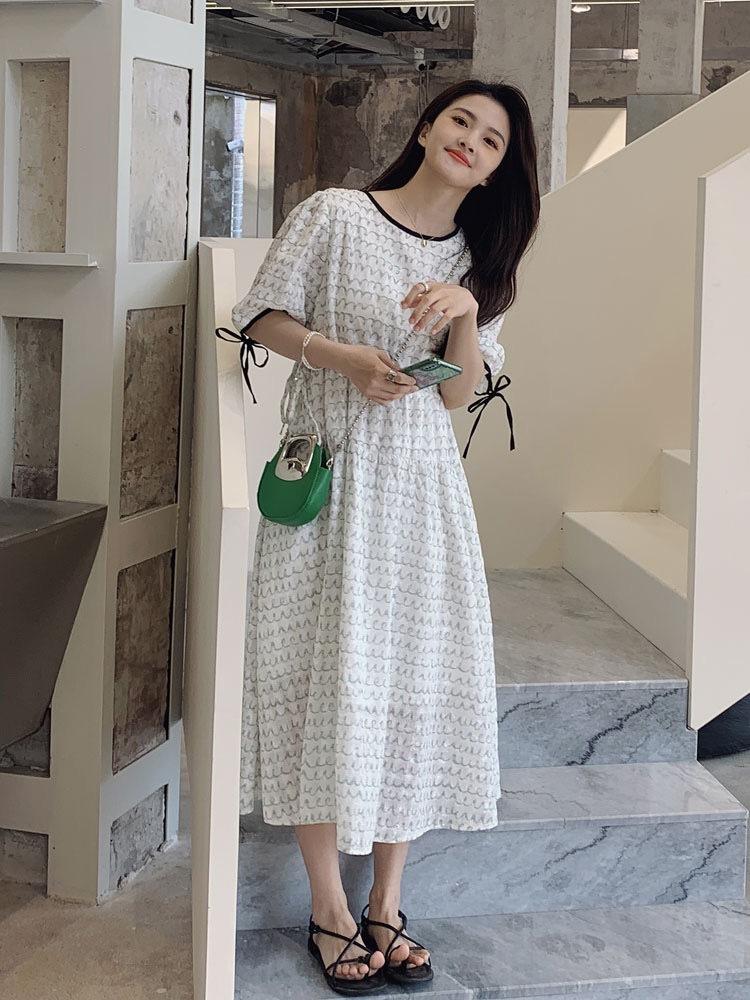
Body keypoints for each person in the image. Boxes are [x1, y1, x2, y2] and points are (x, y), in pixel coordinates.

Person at [229, 78, 540, 995]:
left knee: (410, 685)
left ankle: (387, 903)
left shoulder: (480, 262)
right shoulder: (336, 214)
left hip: (418, 495)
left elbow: (457, 395)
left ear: (495, 171)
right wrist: (343, 358)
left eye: (492, 140)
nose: (471, 141)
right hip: (328, 478)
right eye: (461, 121)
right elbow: (261, 313)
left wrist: (466, 314)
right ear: (428, 126)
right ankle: (329, 908)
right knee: (312, 678)